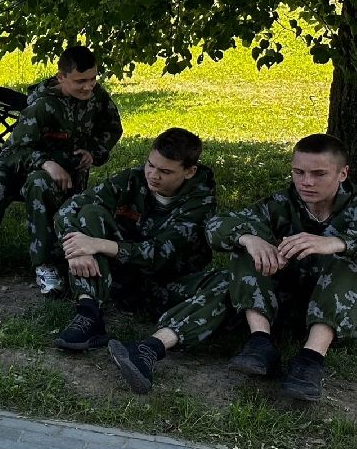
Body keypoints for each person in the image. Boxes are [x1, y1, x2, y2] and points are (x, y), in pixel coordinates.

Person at [110, 134, 357, 402]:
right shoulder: (283, 203)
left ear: (343, 173)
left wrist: (337, 242)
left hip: (333, 311)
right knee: (243, 254)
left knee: (343, 264)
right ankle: (155, 347)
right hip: (275, 302)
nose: (306, 182)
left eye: (319, 174)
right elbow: (218, 226)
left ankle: (310, 361)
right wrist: (249, 239)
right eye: (299, 172)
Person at [0, 44, 123, 294]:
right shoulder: (42, 106)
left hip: (63, 173)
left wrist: (94, 153)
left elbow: (112, 128)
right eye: (80, 81)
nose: (89, 86)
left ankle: (46, 265)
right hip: (29, 163)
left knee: (39, 183)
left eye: (93, 79)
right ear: (61, 77)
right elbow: (14, 151)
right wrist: (46, 163)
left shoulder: (97, 97)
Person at [51, 128, 215, 351]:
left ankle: (157, 341)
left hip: (164, 283)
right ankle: (89, 313)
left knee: (224, 281)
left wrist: (98, 244)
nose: (153, 175)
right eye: (150, 165)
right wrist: (78, 249)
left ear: (189, 171)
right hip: (119, 273)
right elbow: (68, 209)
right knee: (90, 213)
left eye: (165, 171)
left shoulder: (200, 202)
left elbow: (160, 253)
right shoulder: (133, 179)